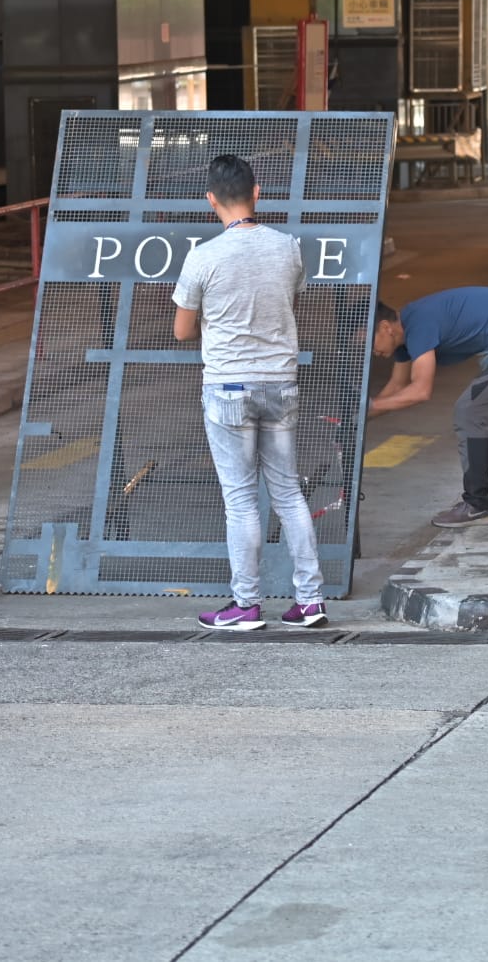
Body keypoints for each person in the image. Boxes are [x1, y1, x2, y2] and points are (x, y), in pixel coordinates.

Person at [172, 153, 326, 632]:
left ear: (210, 200)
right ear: (257, 193)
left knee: (240, 501)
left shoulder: (203, 257)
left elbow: (181, 331)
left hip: (228, 389)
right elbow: (287, 298)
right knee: (288, 494)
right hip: (280, 383)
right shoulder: (288, 248)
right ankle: (310, 600)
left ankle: (245, 605)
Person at [367, 289, 488, 529]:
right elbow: (396, 387)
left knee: (469, 412)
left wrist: (370, 406)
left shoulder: (418, 324)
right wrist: (358, 418)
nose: (370, 352)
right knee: (481, 414)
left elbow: (420, 391)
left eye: (368, 342)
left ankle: (477, 505)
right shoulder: (405, 336)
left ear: (385, 327)